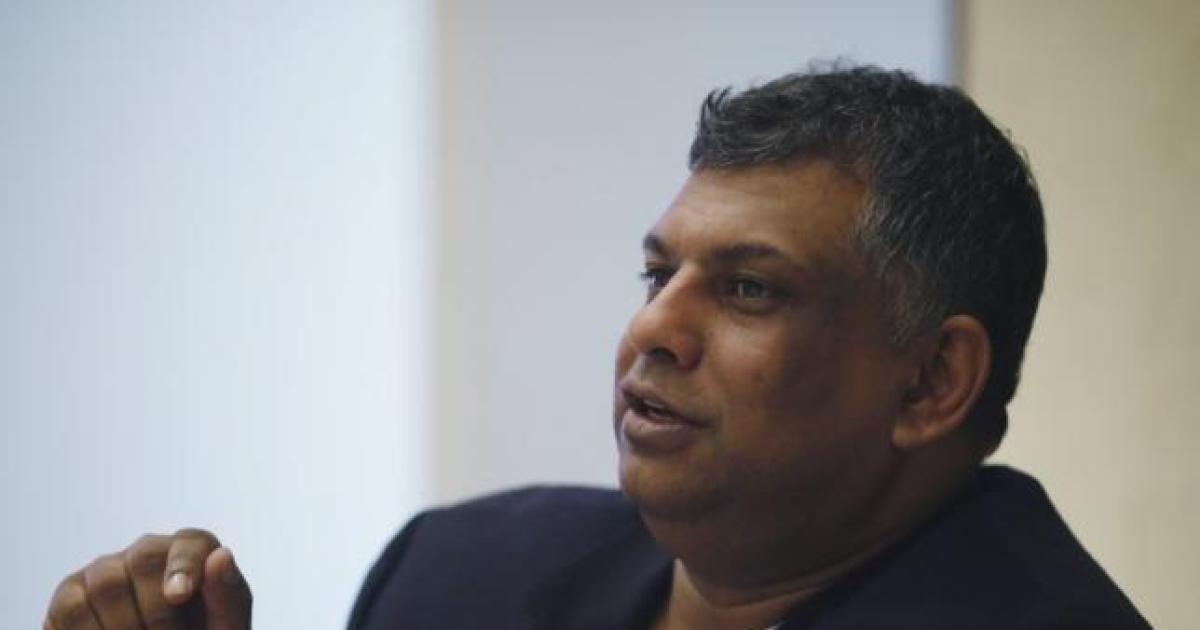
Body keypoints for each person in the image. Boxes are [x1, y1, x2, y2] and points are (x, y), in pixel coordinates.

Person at [43, 65, 1149, 630]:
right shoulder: (458, 571)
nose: (653, 329)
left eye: (750, 289)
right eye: (658, 275)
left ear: (933, 381)